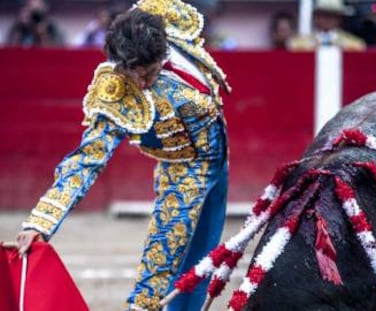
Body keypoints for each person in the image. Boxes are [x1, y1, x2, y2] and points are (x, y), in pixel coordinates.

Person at [15, 0, 231, 310]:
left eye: (150, 73)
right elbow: (87, 159)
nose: (142, 84)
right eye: (135, 76)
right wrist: (41, 221)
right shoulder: (116, 90)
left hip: (219, 160)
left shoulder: (169, 23)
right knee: (157, 273)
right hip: (182, 174)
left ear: (163, 50)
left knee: (202, 259)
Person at [288, 0, 366, 51]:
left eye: (332, 15)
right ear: (316, 17)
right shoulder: (298, 45)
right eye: (324, 14)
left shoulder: (355, 45)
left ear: (339, 19)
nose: (328, 19)